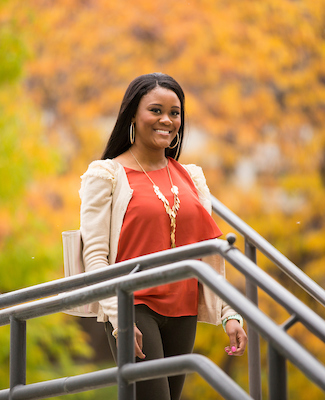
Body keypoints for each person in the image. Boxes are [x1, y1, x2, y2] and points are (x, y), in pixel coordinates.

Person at [79, 72, 247, 400]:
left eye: (175, 112)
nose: (166, 120)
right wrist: (119, 319)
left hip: (183, 308)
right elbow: (96, 256)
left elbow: (209, 250)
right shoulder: (106, 175)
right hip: (133, 304)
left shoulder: (191, 177)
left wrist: (229, 312)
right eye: (155, 110)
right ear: (132, 115)